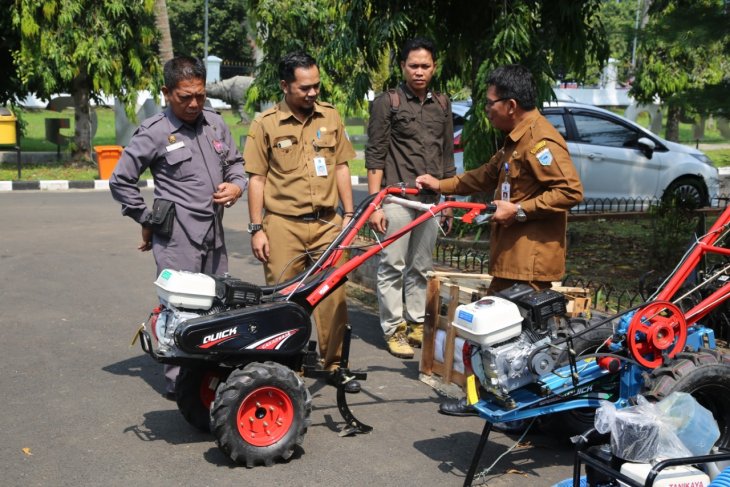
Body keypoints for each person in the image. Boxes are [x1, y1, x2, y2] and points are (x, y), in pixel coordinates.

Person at [416, 64, 583, 416]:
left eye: (490, 103)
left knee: (523, 339)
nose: (486, 110)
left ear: (510, 104)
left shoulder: (541, 140)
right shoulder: (516, 139)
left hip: (531, 261)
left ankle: (517, 405)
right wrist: (440, 186)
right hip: (512, 257)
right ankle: (494, 400)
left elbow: (570, 191)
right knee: (499, 335)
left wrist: (520, 210)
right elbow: (485, 175)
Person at [110, 55, 247, 400]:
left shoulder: (214, 123)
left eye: (200, 95)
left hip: (214, 237)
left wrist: (236, 186)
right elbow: (121, 180)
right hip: (177, 240)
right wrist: (147, 219)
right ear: (167, 93)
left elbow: (235, 164)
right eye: (185, 96)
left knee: (217, 308)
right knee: (180, 312)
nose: (194, 103)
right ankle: (179, 386)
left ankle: (208, 376)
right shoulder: (156, 132)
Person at [243, 51, 360, 393]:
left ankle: (336, 365)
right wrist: (256, 228)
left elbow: (341, 167)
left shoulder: (331, 117)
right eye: (304, 88)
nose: (312, 93)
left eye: (316, 86)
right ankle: (286, 368)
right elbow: (257, 179)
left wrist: (349, 216)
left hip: (327, 225)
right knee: (285, 299)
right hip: (283, 226)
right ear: (285, 85)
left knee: (333, 296)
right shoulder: (265, 123)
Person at [365, 38, 455, 359]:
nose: (419, 72)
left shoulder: (442, 105)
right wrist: (375, 204)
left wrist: (446, 202)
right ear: (402, 67)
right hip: (397, 197)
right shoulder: (387, 103)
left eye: (425, 66)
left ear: (434, 68)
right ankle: (394, 328)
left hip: (430, 200)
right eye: (413, 66)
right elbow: (375, 156)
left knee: (421, 266)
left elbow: (446, 157)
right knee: (393, 265)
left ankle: (417, 322)